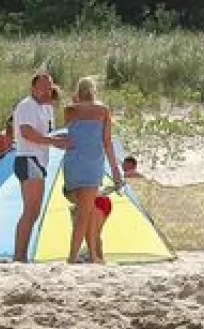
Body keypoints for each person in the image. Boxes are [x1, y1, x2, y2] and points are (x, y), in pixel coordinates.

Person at [60, 76, 125, 264]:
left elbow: (74, 131)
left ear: (78, 92)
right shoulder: (103, 110)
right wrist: (115, 170)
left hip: (73, 164)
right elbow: (106, 142)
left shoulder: (69, 110)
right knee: (83, 214)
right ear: (94, 90)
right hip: (91, 165)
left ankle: (93, 255)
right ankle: (73, 257)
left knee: (85, 210)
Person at [12, 71, 70, 262]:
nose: (47, 90)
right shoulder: (27, 105)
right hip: (28, 158)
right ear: (34, 88)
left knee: (35, 211)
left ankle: (22, 254)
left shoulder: (46, 108)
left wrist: (59, 139)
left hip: (39, 160)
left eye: (49, 86)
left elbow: (46, 135)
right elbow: (27, 132)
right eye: (43, 86)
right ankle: (19, 255)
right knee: (30, 209)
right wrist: (53, 141)